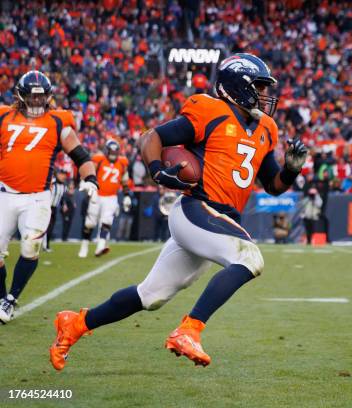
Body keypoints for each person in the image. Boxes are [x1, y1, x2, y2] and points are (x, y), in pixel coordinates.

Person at [49, 53, 308, 370]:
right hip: (196, 209)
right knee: (250, 257)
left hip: (217, 222)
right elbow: (153, 137)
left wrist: (292, 170)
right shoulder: (210, 110)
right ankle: (189, 329)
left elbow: (273, 184)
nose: (266, 94)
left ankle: (75, 324)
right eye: (259, 86)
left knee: (151, 296)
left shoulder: (266, 128)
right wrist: (157, 171)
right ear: (237, 86)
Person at [0, 71, 98, 324]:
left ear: (48, 97)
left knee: (30, 246)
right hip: (4, 193)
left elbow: (82, 156)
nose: (35, 102)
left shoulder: (57, 121)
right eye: (31, 97)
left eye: (40, 97)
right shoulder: (3, 116)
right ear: (20, 96)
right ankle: (1, 298)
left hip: (37, 198)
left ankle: (11, 298)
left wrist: (90, 179)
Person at [79, 139, 130, 258]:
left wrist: (127, 195)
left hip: (111, 197)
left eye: (115, 152)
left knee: (107, 221)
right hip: (97, 194)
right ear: (106, 151)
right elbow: (89, 172)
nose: (113, 154)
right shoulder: (99, 160)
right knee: (90, 223)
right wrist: (84, 182)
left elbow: (125, 180)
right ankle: (84, 245)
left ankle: (100, 246)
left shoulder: (122, 163)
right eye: (111, 151)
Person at [43, 169, 69, 252]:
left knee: (50, 227)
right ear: (57, 174)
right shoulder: (52, 183)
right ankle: (44, 245)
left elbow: (61, 198)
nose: (63, 176)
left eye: (64, 174)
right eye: (61, 174)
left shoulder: (64, 186)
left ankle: (46, 246)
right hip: (46, 207)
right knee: (44, 227)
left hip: (54, 209)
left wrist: (64, 204)